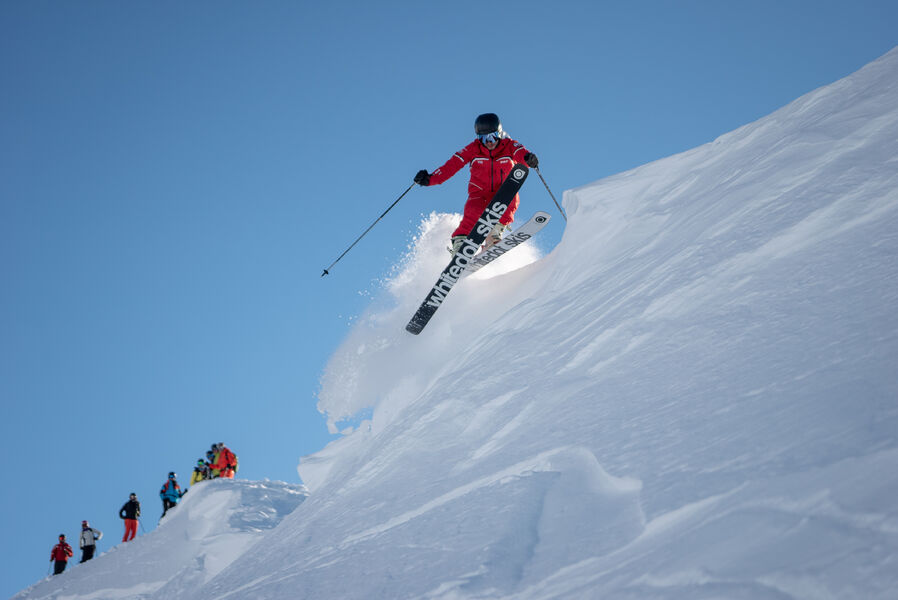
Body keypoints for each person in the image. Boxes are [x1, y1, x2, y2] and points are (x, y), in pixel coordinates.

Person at [414, 113, 539, 254]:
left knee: (511, 198)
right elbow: (451, 166)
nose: (488, 142)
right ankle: (460, 243)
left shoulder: (509, 145)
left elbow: (520, 152)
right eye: (483, 138)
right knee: (473, 211)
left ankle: (493, 234)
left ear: (499, 133)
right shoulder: (473, 149)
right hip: (479, 193)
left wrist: (528, 158)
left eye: (492, 136)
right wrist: (430, 179)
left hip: (503, 190)